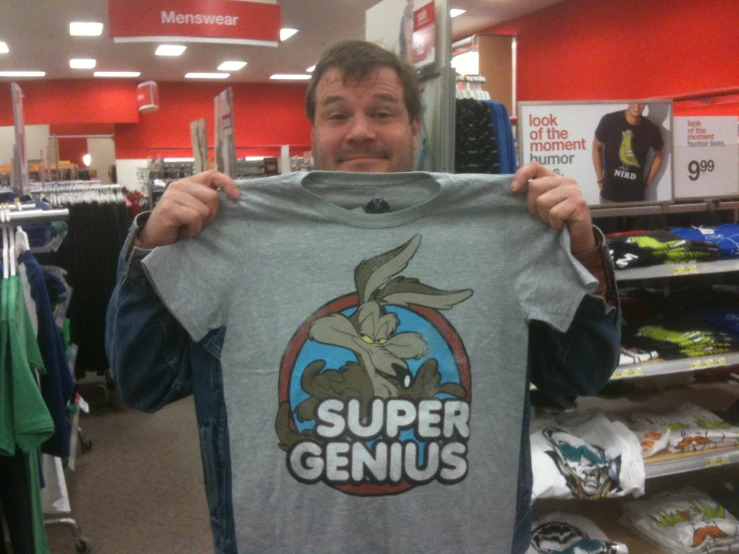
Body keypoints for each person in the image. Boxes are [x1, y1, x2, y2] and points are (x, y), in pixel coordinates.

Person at [106, 40, 619, 554]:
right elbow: (143, 382)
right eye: (337, 115)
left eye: (382, 112)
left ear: (415, 129)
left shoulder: (505, 226)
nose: (360, 131)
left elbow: (578, 376)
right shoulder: (237, 229)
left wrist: (582, 254)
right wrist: (152, 245)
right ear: (314, 132)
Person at [592, 103, 665, 203]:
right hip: (609, 197)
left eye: (642, 102)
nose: (637, 105)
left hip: (636, 199)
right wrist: (600, 181)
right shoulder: (609, 120)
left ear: (646, 103)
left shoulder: (652, 130)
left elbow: (660, 155)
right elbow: (596, 147)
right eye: (634, 100)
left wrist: (646, 185)